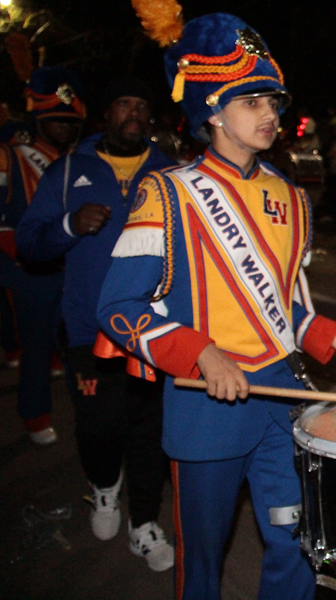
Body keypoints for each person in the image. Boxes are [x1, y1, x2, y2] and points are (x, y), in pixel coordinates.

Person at [97, 10, 336, 599]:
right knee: (202, 562)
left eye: (272, 100)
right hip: (207, 409)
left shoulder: (290, 196)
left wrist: (331, 335)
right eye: (251, 102)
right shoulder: (168, 192)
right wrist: (200, 354)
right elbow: (119, 307)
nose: (270, 114)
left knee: (299, 540)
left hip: (280, 400)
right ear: (212, 112)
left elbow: (284, 308)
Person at [16, 77, 177, 570]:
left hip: (152, 329)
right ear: (104, 115)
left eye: (141, 105)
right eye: (123, 103)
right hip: (89, 328)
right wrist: (69, 224)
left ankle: (144, 523)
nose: (133, 112)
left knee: (151, 431)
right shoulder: (68, 171)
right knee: (100, 428)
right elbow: (29, 242)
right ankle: (104, 488)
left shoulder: (171, 171)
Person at [0, 66, 85, 445]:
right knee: (35, 343)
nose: (64, 129)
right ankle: (34, 413)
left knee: (75, 343)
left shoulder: (80, 159)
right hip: (32, 267)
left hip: (74, 266)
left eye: (70, 123)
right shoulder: (12, 155)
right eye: (56, 122)